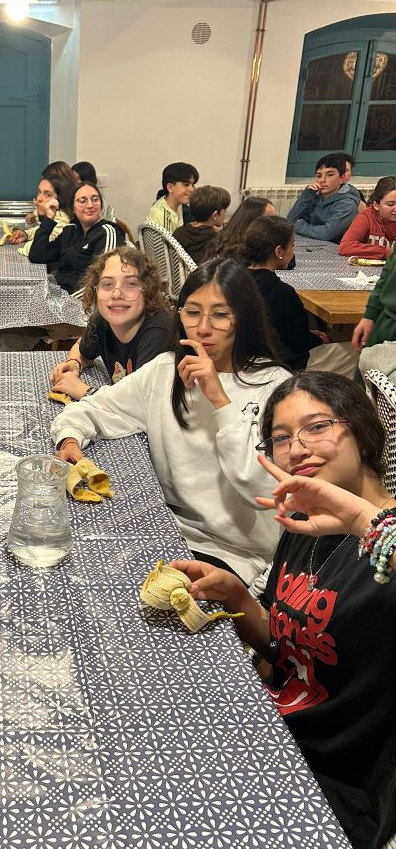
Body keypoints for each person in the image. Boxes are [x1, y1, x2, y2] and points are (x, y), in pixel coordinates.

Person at [171, 371, 396, 849]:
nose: (296, 448)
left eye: (317, 427)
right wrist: (238, 597)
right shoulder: (305, 521)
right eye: (281, 437)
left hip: (336, 785)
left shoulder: (384, 540)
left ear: (361, 432)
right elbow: (282, 646)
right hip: (272, 730)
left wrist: (365, 522)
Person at [51, 259, 290, 582]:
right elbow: (95, 408)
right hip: (167, 529)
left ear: (244, 318)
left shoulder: (274, 386)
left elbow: (265, 492)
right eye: (192, 312)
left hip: (235, 552)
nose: (203, 328)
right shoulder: (166, 370)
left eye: (220, 315)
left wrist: (220, 400)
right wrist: (69, 438)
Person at [49, 247, 173, 398]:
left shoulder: (159, 332)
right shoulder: (103, 320)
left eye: (131, 284)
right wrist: (75, 363)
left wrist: (84, 391)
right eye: (107, 284)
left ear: (148, 290)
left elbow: (141, 403)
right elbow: (82, 348)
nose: (116, 294)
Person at [244, 215, 358, 376]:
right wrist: (317, 339)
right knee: (357, 352)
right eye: (292, 245)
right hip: (281, 363)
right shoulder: (282, 292)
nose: (293, 251)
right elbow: (300, 342)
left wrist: (308, 334)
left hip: (246, 355)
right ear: (279, 251)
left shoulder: (237, 278)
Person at [29, 181, 125, 295]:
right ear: (73, 208)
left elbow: (102, 283)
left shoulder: (107, 233)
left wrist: (66, 302)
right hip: (61, 293)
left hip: (83, 301)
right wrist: (49, 218)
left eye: (95, 199)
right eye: (82, 201)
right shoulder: (70, 231)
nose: (90, 205)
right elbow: (37, 255)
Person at [287, 153, 359, 244]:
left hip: (333, 249)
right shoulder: (314, 194)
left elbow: (327, 233)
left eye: (330, 175)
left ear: (342, 178)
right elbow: (289, 222)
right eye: (319, 175)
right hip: (309, 243)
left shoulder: (347, 204)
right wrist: (306, 196)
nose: (322, 180)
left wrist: (298, 225)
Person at [9, 173, 75, 251]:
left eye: (47, 195)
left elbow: (41, 247)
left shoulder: (63, 218)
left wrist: (26, 246)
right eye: (39, 192)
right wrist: (26, 234)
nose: (39, 199)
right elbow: (42, 230)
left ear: (61, 199)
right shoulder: (57, 215)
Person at [338, 175, 396, 258]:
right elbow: (345, 247)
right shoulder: (366, 218)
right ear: (376, 205)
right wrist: (387, 253)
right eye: (390, 204)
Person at [206, 195, 276, 261]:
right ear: (251, 221)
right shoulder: (242, 251)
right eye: (268, 220)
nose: (273, 225)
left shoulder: (222, 238)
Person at [173, 185, 231, 264]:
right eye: (225, 209)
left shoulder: (179, 232)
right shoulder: (217, 241)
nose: (226, 212)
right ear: (215, 215)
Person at [144, 162, 199, 234]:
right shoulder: (161, 215)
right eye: (186, 185)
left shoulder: (178, 204)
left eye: (193, 185)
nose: (192, 189)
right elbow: (170, 241)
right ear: (170, 187)